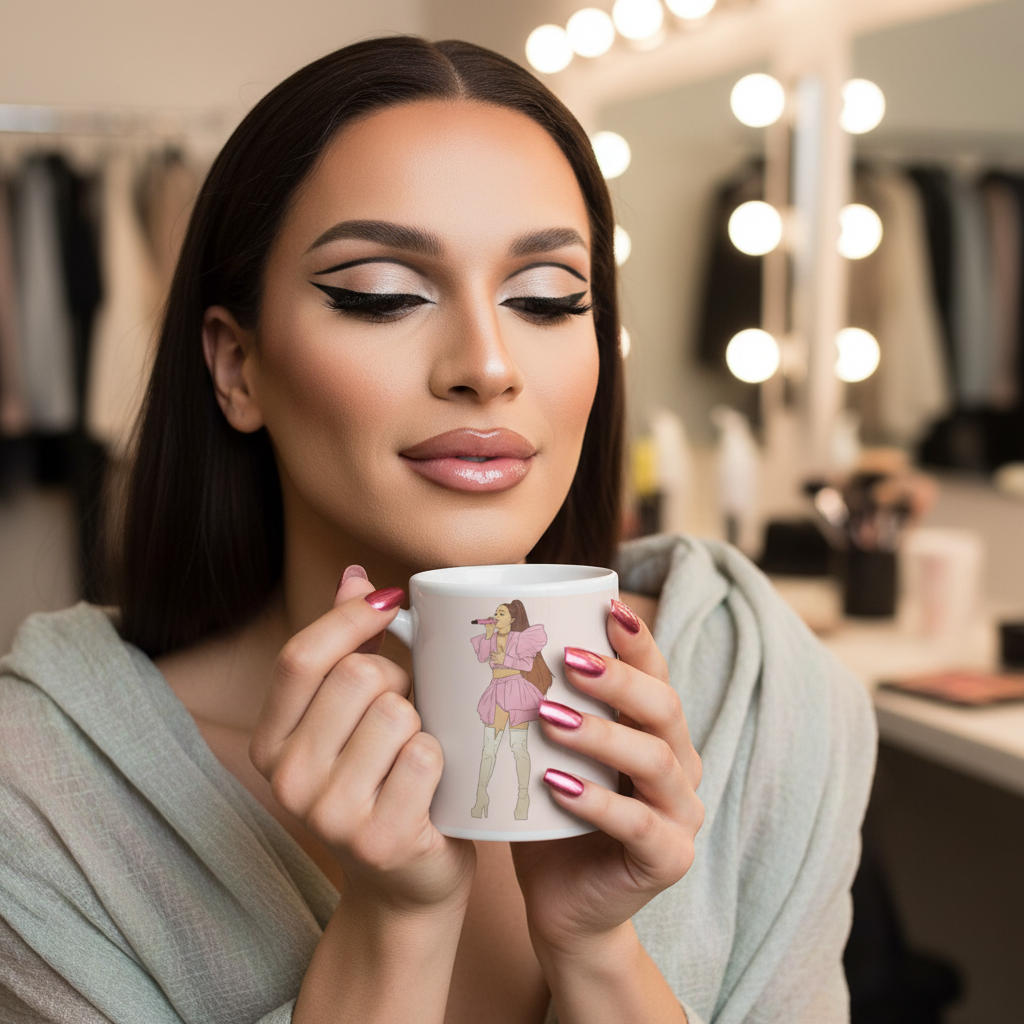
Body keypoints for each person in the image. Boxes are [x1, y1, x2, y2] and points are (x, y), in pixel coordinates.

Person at [0, 36, 875, 1024]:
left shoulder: (754, 691)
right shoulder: (43, 795)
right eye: (382, 296)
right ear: (237, 366)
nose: (487, 365)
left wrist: (598, 952)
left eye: (547, 299)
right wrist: (392, 928)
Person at [469, 600, 549, 819]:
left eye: (501, 613)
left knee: (518, 747)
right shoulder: (492, 637)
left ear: (512, 619)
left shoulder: (519, 639)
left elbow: (527, 665)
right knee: (489, 748)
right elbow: (481, 657)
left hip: (516, 691)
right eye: (495, 613)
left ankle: (523, 797)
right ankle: (481, 795)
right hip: (495, 690)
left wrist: (505, 658)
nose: (496, 617)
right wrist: (488, 635)